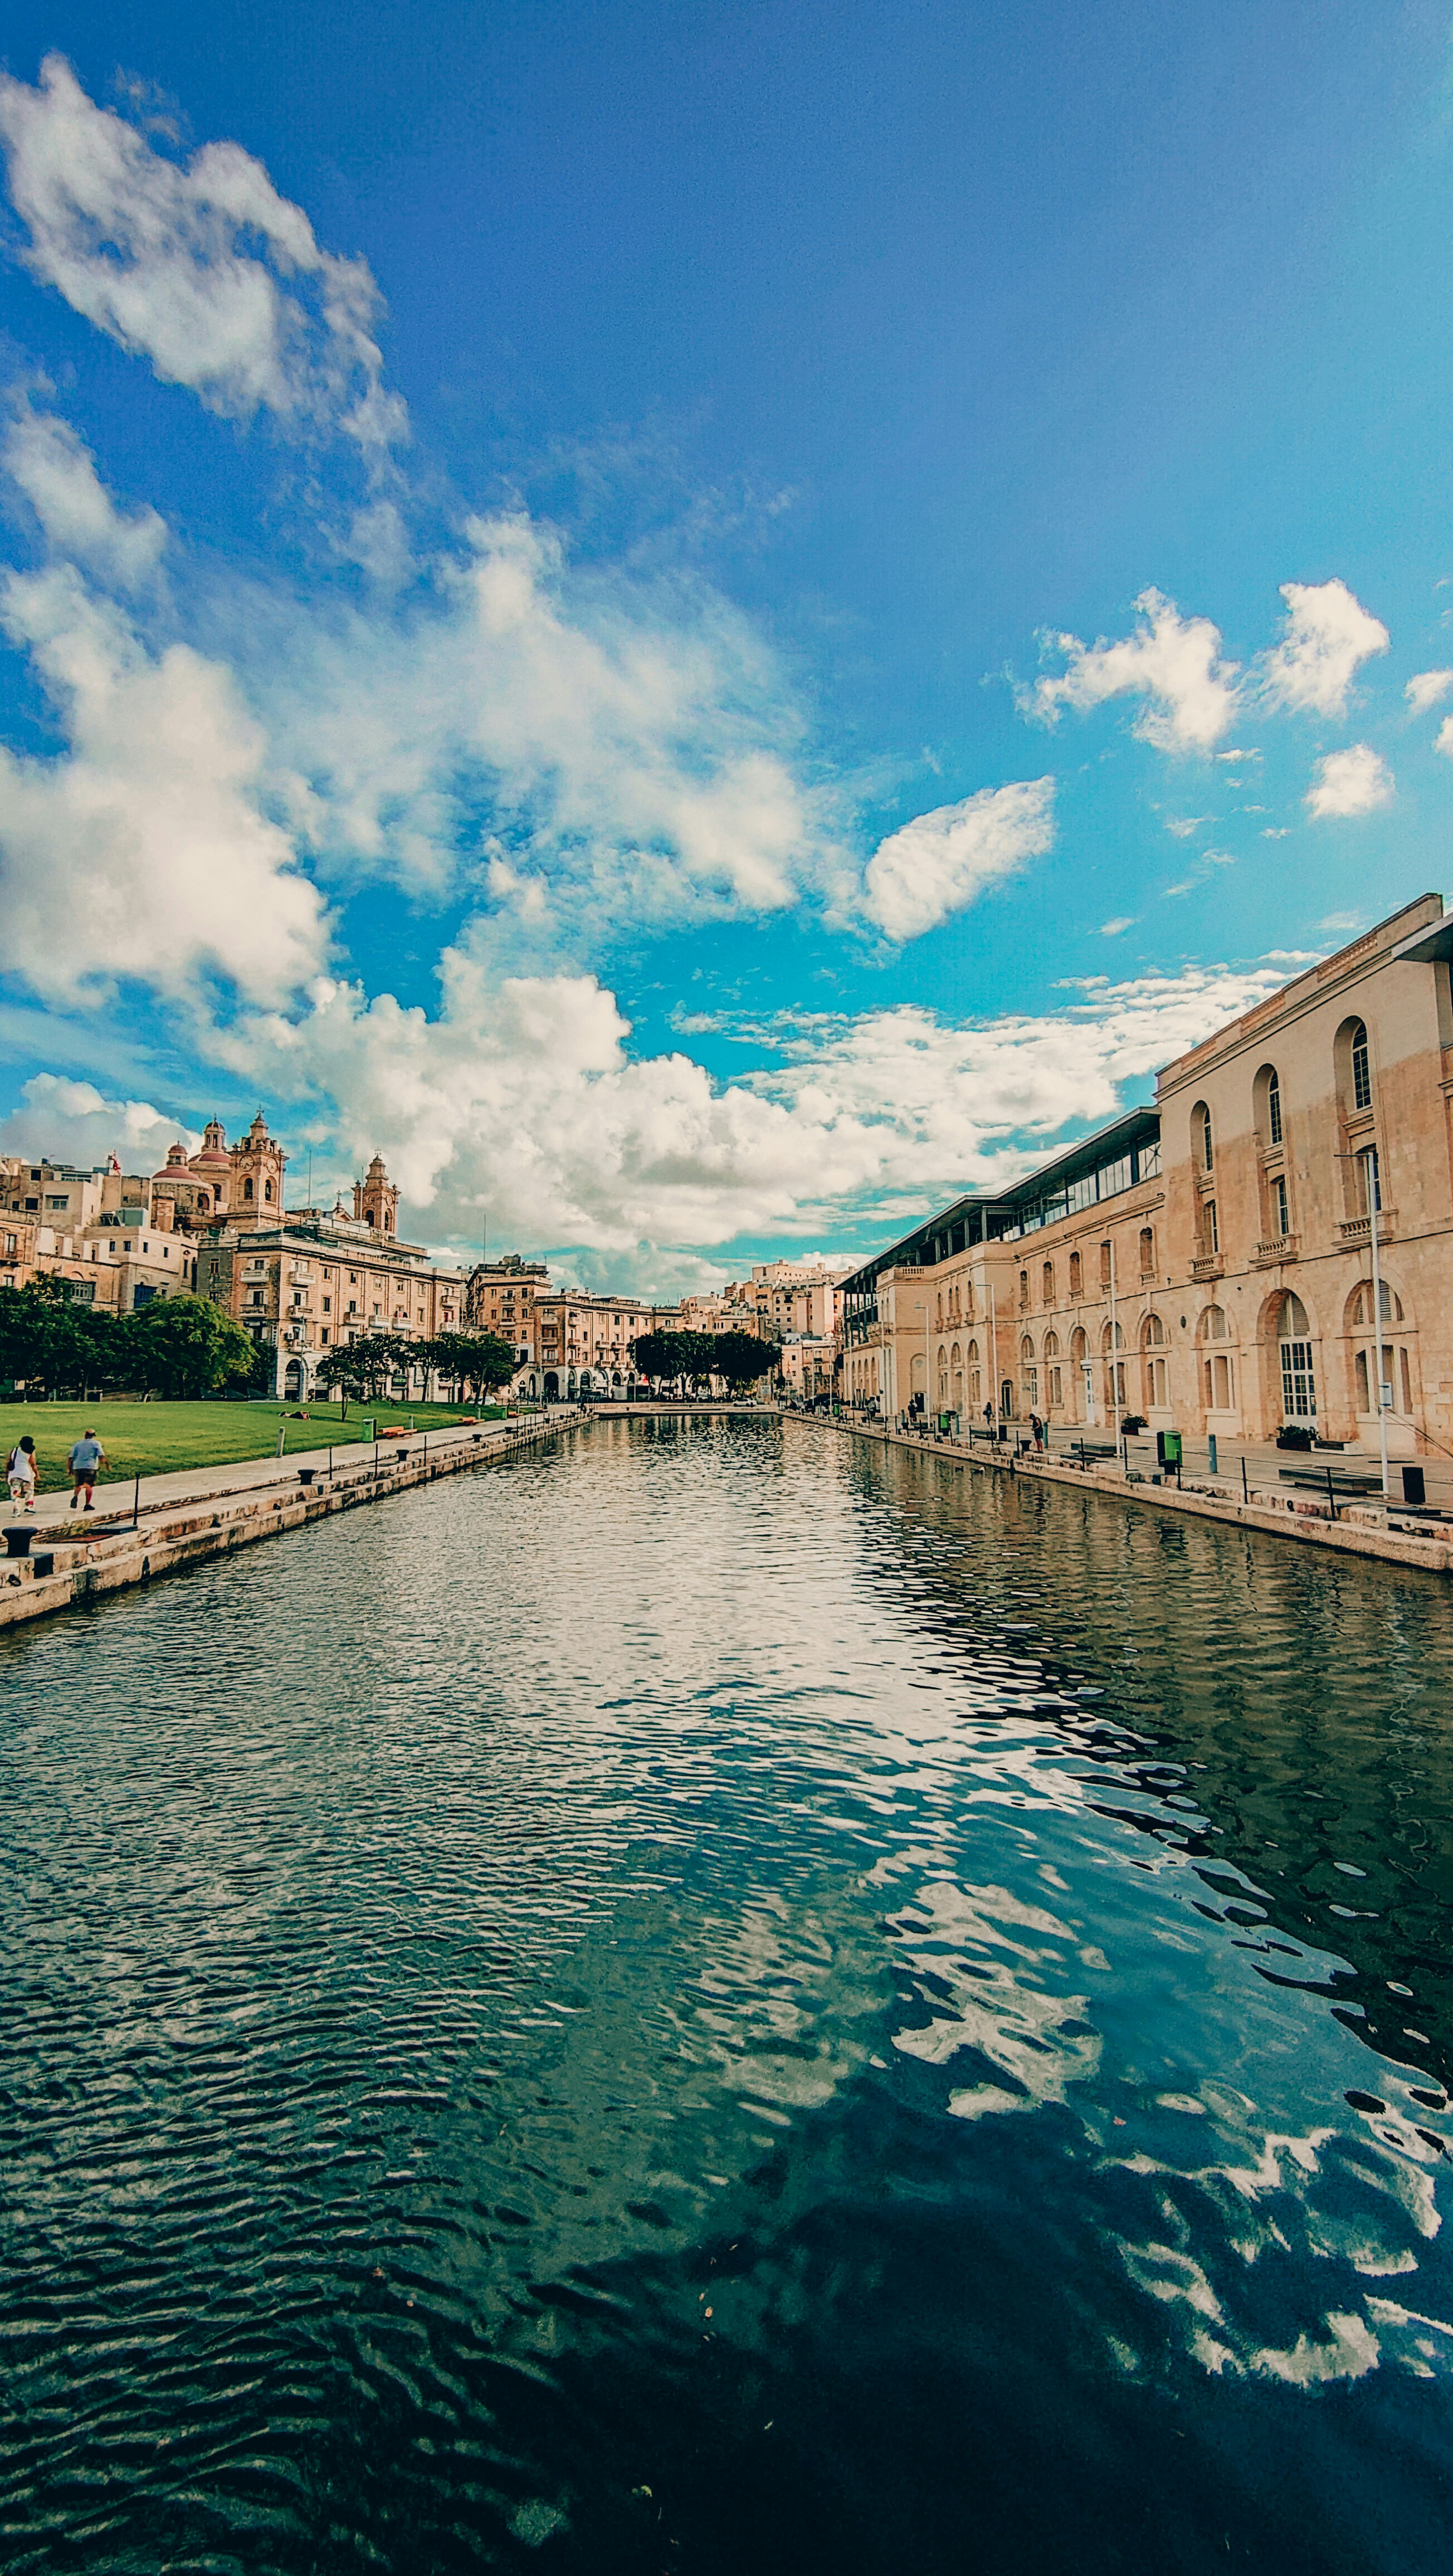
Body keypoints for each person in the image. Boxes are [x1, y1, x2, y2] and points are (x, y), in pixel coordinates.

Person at [68, 1426, 106, 1511]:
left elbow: (71, 1457)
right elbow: (101, 1456)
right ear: (94, 1436)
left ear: (85, 1435)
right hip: (90, 1467)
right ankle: (87, 1504)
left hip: (78, 1466)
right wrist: (106, 1464)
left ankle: (76, 1496)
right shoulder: (96, 1444)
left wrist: (70, 1469)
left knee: (79, 1484)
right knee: (89, 1486)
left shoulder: (78, 1444)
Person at [6, 1434, 37, 1513]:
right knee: (29, 1490)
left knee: (16, 1492)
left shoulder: (15, 1450)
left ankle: (17, 1509)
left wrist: (6, 1473)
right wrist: (37, 1473)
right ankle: (29, 1506)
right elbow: (33, 1463)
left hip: (15, 1474)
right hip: (26, 1473)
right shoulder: (30, 1452)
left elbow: (9, 1462)